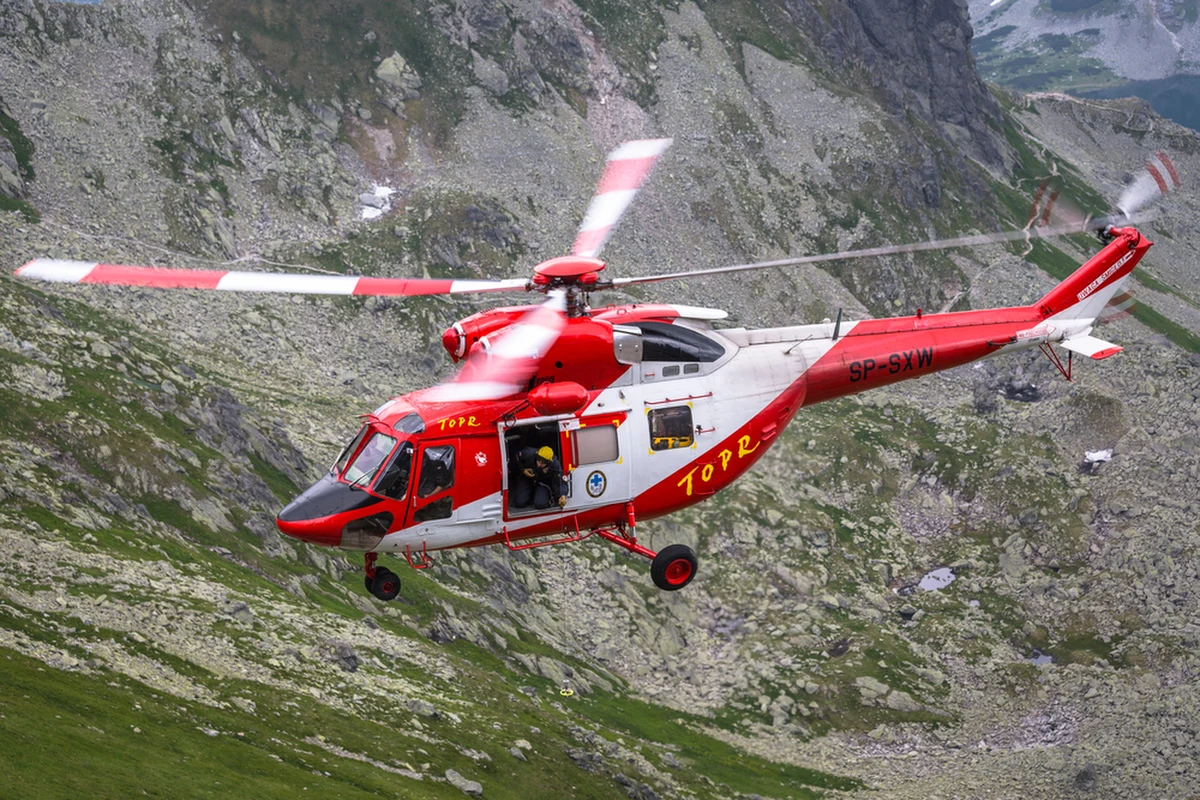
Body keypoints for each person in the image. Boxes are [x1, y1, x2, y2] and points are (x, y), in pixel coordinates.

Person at [511, 445, 566, 510]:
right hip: (527, 478)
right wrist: (523, 469)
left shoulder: (555, 465)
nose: (539, 464)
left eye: (543, 462)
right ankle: (529, 496)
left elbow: (561, 481)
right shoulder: (528, 453)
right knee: (519, 503)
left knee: (540, 504)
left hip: (542, 483)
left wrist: (562, 495)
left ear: (549, 462)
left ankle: (539, 497)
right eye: (538, 460)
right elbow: (516, 457)